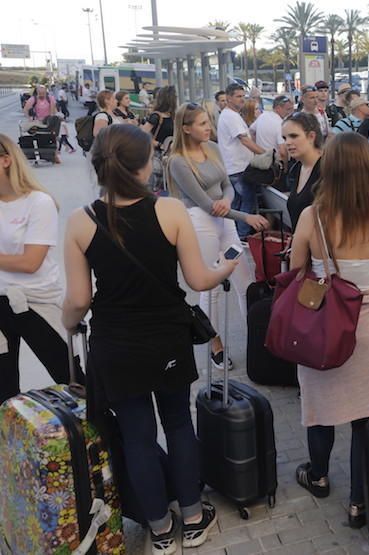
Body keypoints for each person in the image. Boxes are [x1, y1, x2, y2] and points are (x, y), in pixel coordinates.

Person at [62, 124, 239, 553]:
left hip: (115, 342)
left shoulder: (80, 221)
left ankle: (160, 531)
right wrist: (227, 267)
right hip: (166, 336)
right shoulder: (170, 211)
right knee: (178, 424)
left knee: (138, 435)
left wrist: (67, 324)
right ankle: (194, 519)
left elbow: (79, 300)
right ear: (146, 166)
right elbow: (198, 278)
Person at [290, 132, 369, 530]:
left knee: (321, 407)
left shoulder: (312, 217)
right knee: (366, 417)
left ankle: (319, 475)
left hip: (323, 327)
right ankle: (359, 502)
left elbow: (295, 275)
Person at [166, 103, 268, 370]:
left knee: (244, 280)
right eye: (201, 123)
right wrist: (244, 216)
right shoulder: (177, 161)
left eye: (207, 121)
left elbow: (226, 185)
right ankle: (215, 344)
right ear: (186, 128)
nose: (208, 126)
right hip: (202, 226)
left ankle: (256, 340)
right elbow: (204, 203)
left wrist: (226, 200)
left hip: (226, 224)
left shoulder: (211, 148)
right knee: (211, 287)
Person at [0, 135, 79, 404]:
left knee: (72, 377)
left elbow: (31, 262)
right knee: (3, 390)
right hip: (0, 302)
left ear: (6, 161)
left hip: (35, 301)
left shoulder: (38, 202)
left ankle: (100, 439)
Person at [216, 83, 266, 239]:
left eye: (243, 96)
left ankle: (235, 236)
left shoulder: (230, 115)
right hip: (238, 169)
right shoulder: (231, 116)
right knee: (246, 203)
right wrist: (266, 154)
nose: (242, 100)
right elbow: (245, 140)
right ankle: (242, 236)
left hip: (235, 168)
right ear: (229, 98)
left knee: (237, 205)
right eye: (238, 96)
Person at [282, 112, 324, 231]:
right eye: (284, 138)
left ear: (311, 136)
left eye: (294, 136)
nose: (287, 142)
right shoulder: (297, 168)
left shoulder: (326, 169)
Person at [250, 94, 292, 161]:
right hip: (273, 163)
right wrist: (286, 168)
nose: (289, 112)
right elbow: (283, 151)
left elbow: (251, 131)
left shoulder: (263, 116)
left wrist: (257, 148)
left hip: (259, 160)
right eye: (287, 109)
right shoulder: (281, 124)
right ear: (278, 108)